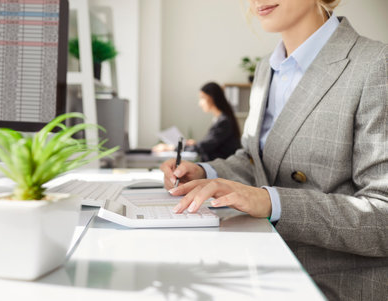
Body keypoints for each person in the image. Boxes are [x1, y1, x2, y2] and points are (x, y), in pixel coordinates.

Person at [160, 1, 388, 300]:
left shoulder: (375, 64)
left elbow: (382, 217)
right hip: (263, 260)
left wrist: (272, 201)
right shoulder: (267, 68)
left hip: (335, 282)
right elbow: (256, 160)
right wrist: (204, 172)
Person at [153, 82, 241, 161]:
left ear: (212, 97)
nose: (200, 103)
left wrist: (171, 148)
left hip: (220, 169)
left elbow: (203, 148)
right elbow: (211, 144)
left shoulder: (224, 122)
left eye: (202, 98)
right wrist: (194, 143)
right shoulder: (221, 119)